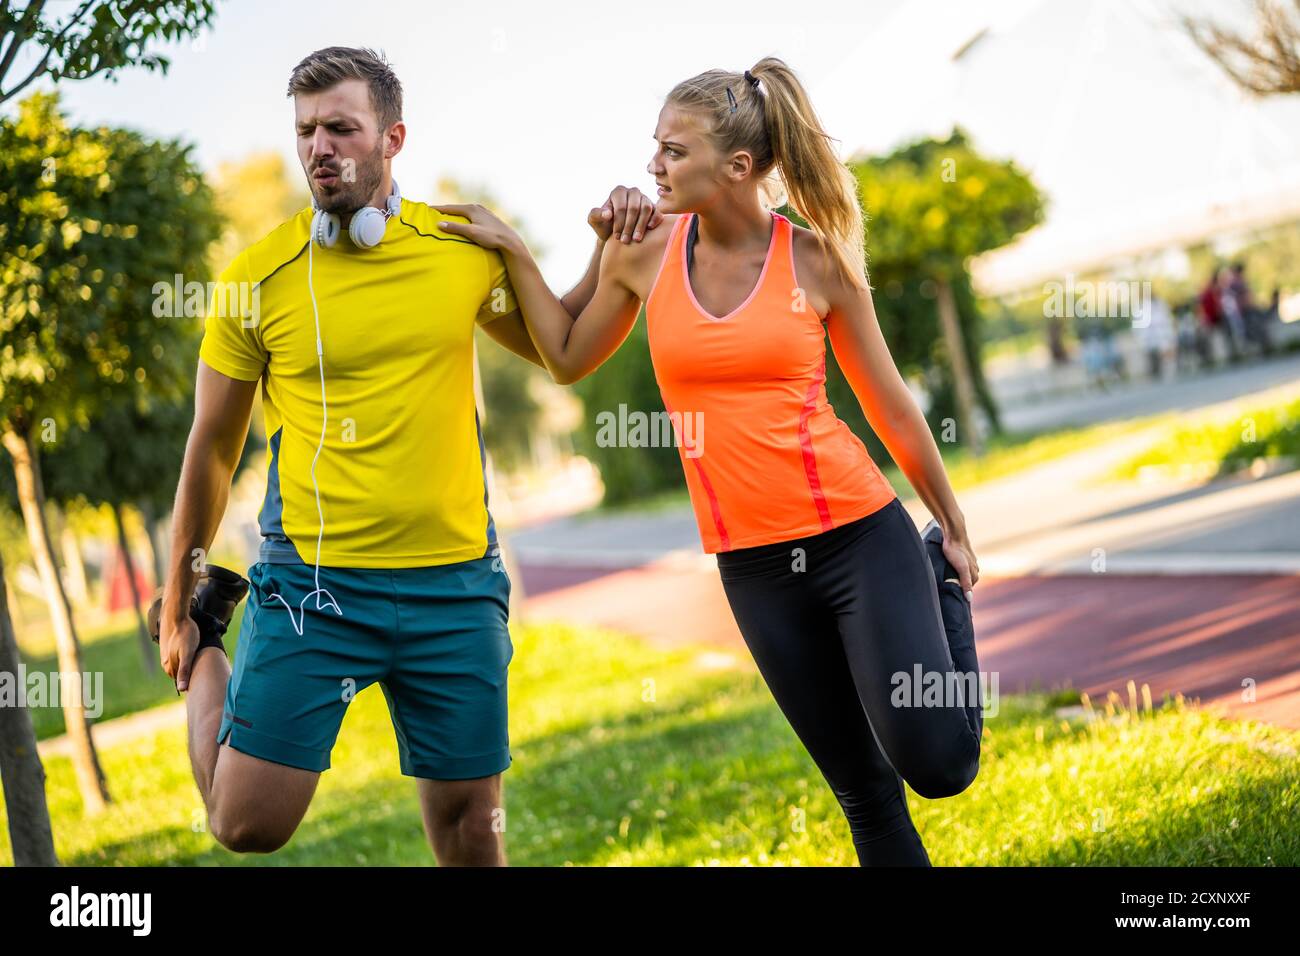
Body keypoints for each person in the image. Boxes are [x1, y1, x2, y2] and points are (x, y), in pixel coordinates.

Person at [439, 57, 983, 866]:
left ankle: (937, 587)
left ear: (736, 168)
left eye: (672, 152)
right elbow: (561, 353)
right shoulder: (640, 252)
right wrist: (518, 251)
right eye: (652, 148)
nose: (652, 166)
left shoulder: (816, 260)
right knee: (864, 798)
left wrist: (954, 527)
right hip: (753, 569)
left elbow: (890, 404)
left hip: (861, 538)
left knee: (938, 765)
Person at [158, 46, 661, 864]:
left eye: (341, 128)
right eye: (306, 131)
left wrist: (615, 245)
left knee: (471, 832)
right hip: (315, 585)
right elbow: (212, 447)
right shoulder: (254, 282)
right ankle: (217, 637)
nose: (320, 147)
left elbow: (565, 341)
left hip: (455, 587)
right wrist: (181, 593)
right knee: (244, 825)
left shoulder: (460, 249)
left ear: (393, 138)